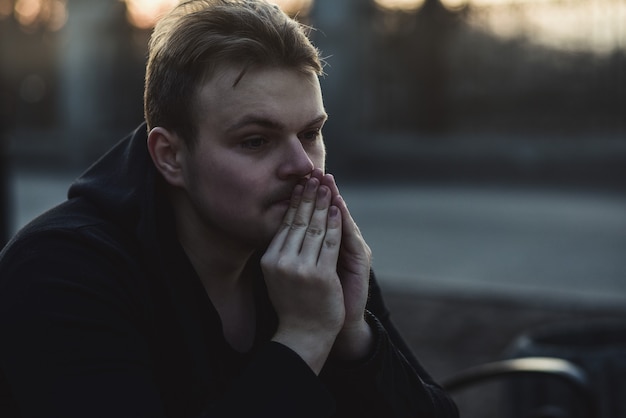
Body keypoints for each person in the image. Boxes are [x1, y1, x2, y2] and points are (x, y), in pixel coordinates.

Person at [0, 1, 458, 417]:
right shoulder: (59, 272)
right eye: (255, 141)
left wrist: (355, 335)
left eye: (311, 133)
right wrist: (303, 337)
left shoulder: (312, 257)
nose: (302, 167)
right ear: (170, 157)